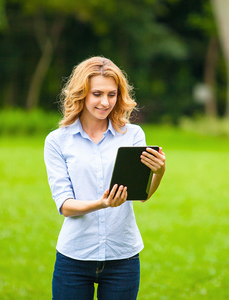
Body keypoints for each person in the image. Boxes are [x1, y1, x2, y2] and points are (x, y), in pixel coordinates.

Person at [44, 56, 166, 300]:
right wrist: (102, 203)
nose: (105, 102)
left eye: (112, 94)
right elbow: (66, 206)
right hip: (74, 258)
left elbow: (141, 194)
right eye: (97, 94)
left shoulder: (132, 135)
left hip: (123, 258)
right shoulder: (57, 141)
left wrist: (159, 172)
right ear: (82, 94)